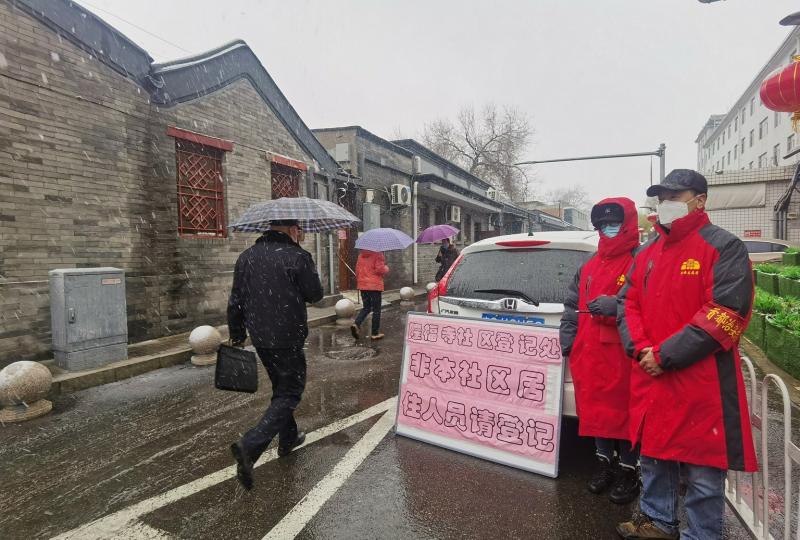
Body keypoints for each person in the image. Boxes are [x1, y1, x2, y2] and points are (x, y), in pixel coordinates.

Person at [616, 170, 757, 540]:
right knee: (656, 456)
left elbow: (726, 312)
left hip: (702, 382)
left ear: (700, 200)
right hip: (652, 374)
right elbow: (626, 303)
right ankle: (658, 522)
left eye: (675, 196)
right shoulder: (646, 253)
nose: (667, 204)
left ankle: (702, 535)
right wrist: (641, 348)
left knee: (703, 474)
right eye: (662, 197)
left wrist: (665, 354)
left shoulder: (724, 247)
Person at [227, 219, 324, 491]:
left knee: (281, 389)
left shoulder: (246, 257)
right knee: (290, 393)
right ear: (292, 230)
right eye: (300, 229)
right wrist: (308, 271)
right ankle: (250, 445)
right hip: (288, 336)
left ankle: (288, 439)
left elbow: (235, 300)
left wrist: (236, 333)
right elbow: (315, 295)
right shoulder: (298, 256)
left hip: (260, 336)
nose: (302, 234)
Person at [560, 197, 641, 505]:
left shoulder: (641, 260)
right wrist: (568, 337)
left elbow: (651, 304)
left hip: (624, 355)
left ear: (629, 222)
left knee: (626, 415)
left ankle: (629, 471)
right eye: (602, 224)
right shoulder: (590, 265)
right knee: (595, 414)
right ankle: (604, 465)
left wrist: (617, 306)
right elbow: (572, 306)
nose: (609, 228)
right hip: (589, 354)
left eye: (614, 222)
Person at [351, 249, 389, 340]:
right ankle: (375, 333)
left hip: (363, 285)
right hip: (374, 286)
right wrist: (386, 268)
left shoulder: (361, 255)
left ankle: (356, 323)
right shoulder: (378, 254)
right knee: (376, 310)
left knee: (366, 307)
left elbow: (357, 271)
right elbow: (380, 270)